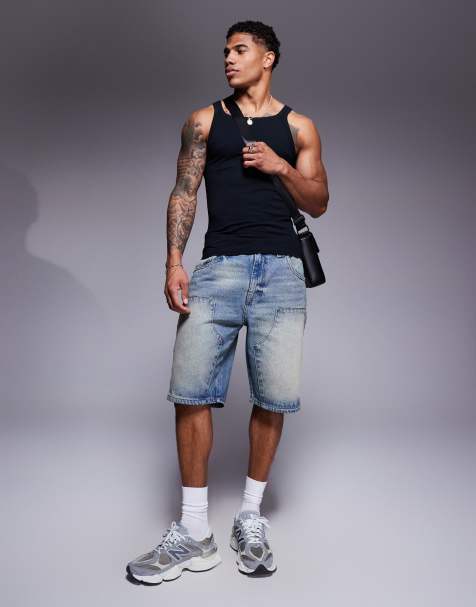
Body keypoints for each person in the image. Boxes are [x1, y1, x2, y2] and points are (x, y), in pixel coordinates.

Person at [127, 20, 329, 584]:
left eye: (240, 50)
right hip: (218, 269)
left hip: (282, 273)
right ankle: (194, 529)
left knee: (274, 398)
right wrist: (174, 262)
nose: (229, 59)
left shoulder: (300, 127)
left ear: (269, 58)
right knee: (189, 392)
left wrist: (280, 166)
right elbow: (183, 192)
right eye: (225, 51)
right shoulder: (203, 121)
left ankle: (249, 517)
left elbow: (319, 201)